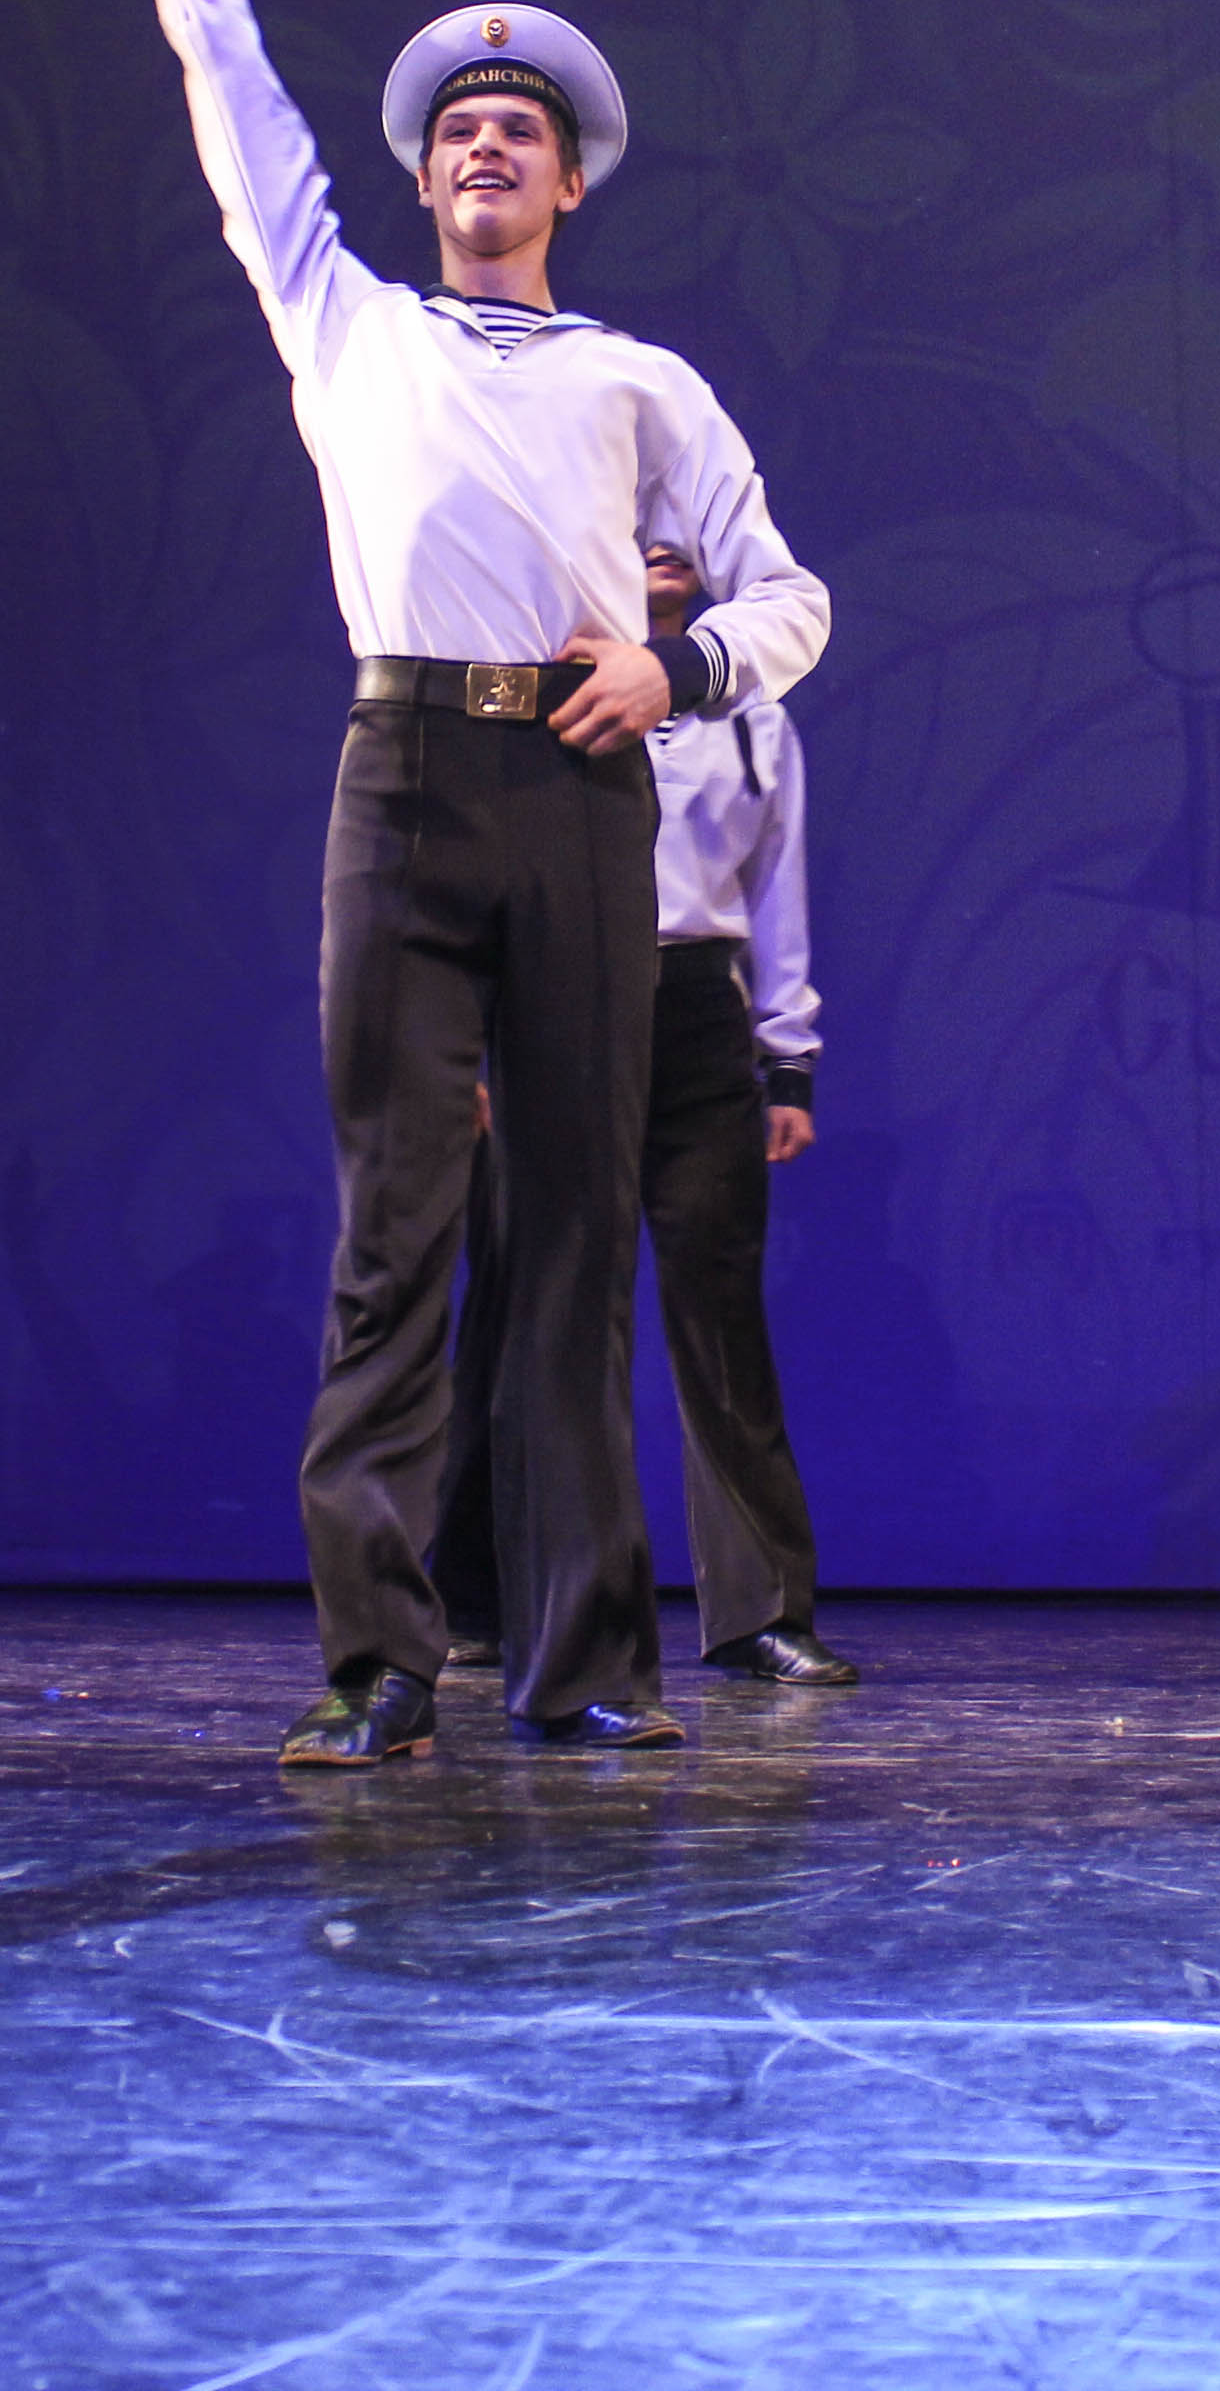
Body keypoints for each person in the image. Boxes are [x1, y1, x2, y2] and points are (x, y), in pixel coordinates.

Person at [138, 0, 830, 1768]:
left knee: (578, 1238)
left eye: (519, 128)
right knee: (396, 1228)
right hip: (409, 780)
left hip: (582, 793)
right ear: (425, 171)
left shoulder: (641, 380)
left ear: (570, 178)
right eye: (458, 127)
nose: (486, 146)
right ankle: (378, 1661)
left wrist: (676, 667)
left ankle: (586, 1659)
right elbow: (247, 139)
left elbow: (788, 597)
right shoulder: (346, 321)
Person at [438, 538, 854, 1692]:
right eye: (636, 517)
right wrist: (466, 1037)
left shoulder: (750, 713)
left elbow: (777, 890)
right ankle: (478, 1596)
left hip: (696, 1012)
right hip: (557, 997)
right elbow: (480, 877)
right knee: (531, 1302)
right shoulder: (535, 693)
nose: (662, 538)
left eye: (680, 521)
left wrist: (789, 1061)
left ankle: (761, 1610)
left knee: (719, 1307)